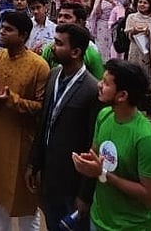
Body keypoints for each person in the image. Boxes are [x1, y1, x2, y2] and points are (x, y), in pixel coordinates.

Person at [0, 10, 50, 231]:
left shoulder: (39, 66)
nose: (2, 33)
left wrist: (12, 100)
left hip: (23, 141)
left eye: (9, 30)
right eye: (3, 28)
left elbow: (41, 107)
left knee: (26, 199)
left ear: (24, 35)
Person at [71, 59, 151, 231]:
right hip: (98, 220)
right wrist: (85, 163)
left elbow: (150, 196)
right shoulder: (104, 115)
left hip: (130, 227)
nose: (99, 85)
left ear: (122, 96)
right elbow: (95, 153)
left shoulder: (146, 138)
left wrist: (103, 173)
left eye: (105, 83)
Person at [28, 24, 101, 230]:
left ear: (76, 52)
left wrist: (85, 195)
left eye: (59, 44)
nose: (52, 47)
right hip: (50, 175)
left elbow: (92, 145)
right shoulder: (53, 76)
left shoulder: (92, 89)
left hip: (74, 181)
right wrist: (35, 164)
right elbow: (44, 124)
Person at [41, 3, 104, 78]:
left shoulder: (91, 53)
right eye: (60, 16)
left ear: (79, 22)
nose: (61, 20)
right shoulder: (49, 48)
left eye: (67, 17)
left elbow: (98, 83)